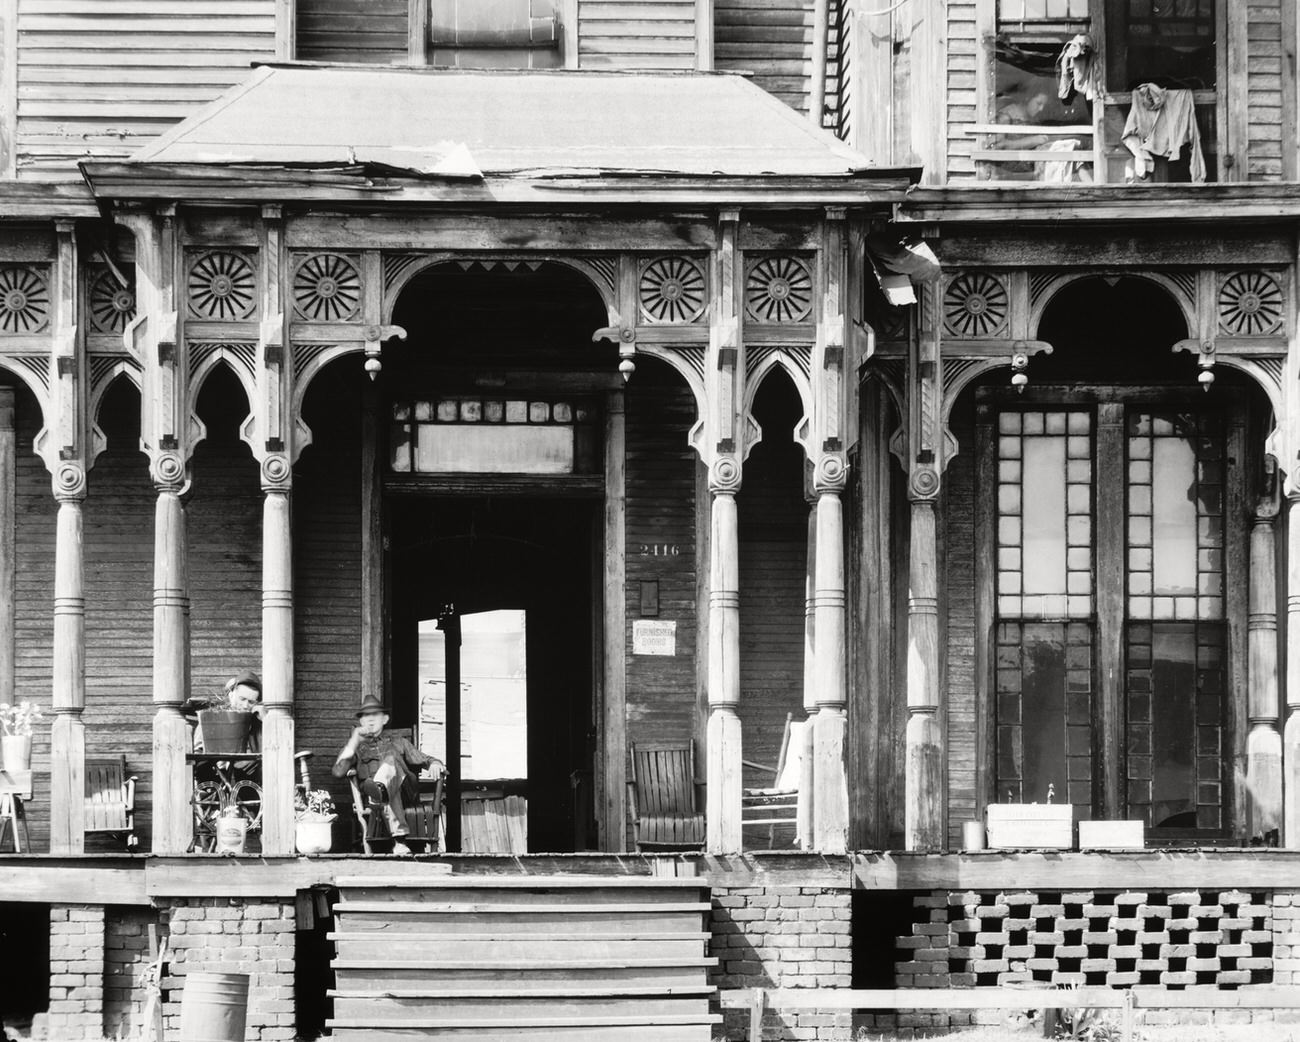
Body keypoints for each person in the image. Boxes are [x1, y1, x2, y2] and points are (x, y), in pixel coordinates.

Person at [333, 695, 443, 855]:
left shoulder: (399, 742)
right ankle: (399, 840)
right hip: (375, 800)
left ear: (385, 719)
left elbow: (425, 759)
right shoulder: (358, 747)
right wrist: (354, 740)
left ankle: (380, 788)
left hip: (405, 792)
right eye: (366, 716)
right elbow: (338, 772)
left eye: (375, 715)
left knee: (390, 763)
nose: (370, 720)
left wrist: (435, 764)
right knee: (386, 792)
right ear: (361, 722)